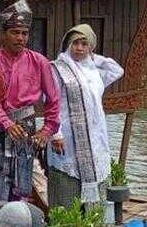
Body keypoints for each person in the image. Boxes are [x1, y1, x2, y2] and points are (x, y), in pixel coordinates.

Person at [0, 0, 61, 227]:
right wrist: (6, 123)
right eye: (15, 32)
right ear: (3, 34)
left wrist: (48, 130)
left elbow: (54, 100)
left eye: (24, 33)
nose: (20, 38)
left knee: (20, 190)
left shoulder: (39, 62)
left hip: (27, 132)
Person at [46, 23, 123, 210]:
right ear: (67, 45)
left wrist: (94, 58)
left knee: (97, 193)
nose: (79, 48)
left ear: (91, 47)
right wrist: (55, 134)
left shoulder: (93, 71)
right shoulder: (57, 68)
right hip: (67, 141)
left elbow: (117, 70)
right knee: (66, 191)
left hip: (95, 139)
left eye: (84, 43)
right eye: (75, 43)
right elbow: (50, 101)